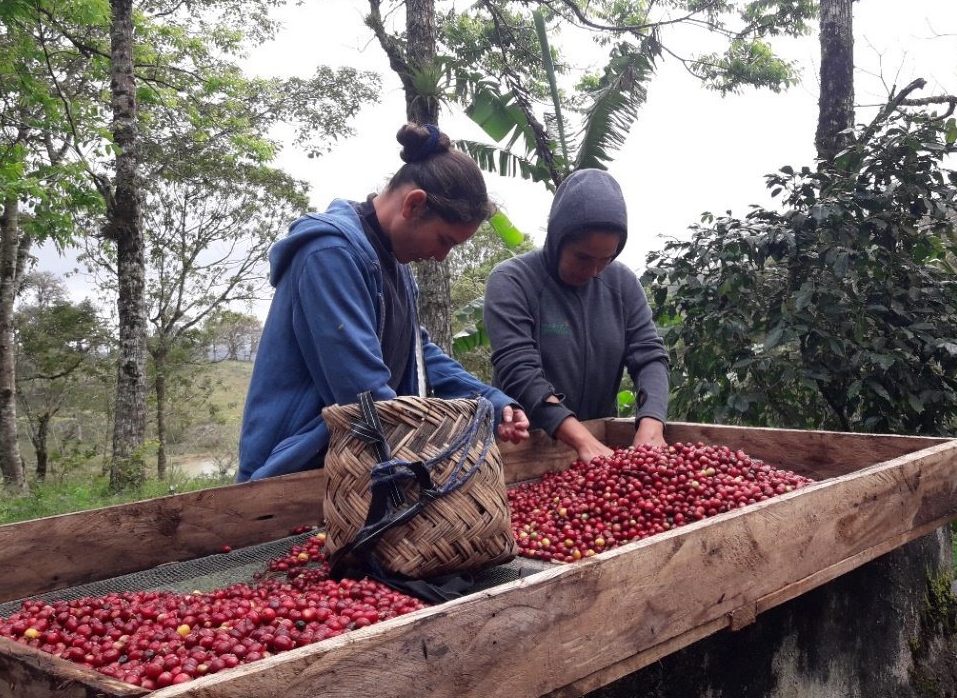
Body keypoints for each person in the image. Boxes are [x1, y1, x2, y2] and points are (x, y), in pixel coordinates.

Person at [237, 123, 531, 482]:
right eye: (444, 240)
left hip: (355, 467)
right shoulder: (329, 255)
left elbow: (418, 352)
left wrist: (491, 401)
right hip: (293, 472)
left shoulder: (393, 264)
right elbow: (362, 391)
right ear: (414, 204)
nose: (440, 257)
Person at [483, 168, 670, 463]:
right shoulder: (512, 280)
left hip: (600, 450)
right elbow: (518, 369)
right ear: (558, 240)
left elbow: (649, 356)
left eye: (605, 259)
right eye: (582, 257)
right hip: (525, 452)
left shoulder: (622, 284)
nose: (593, 270)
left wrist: (651, 421)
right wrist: (581, 440)